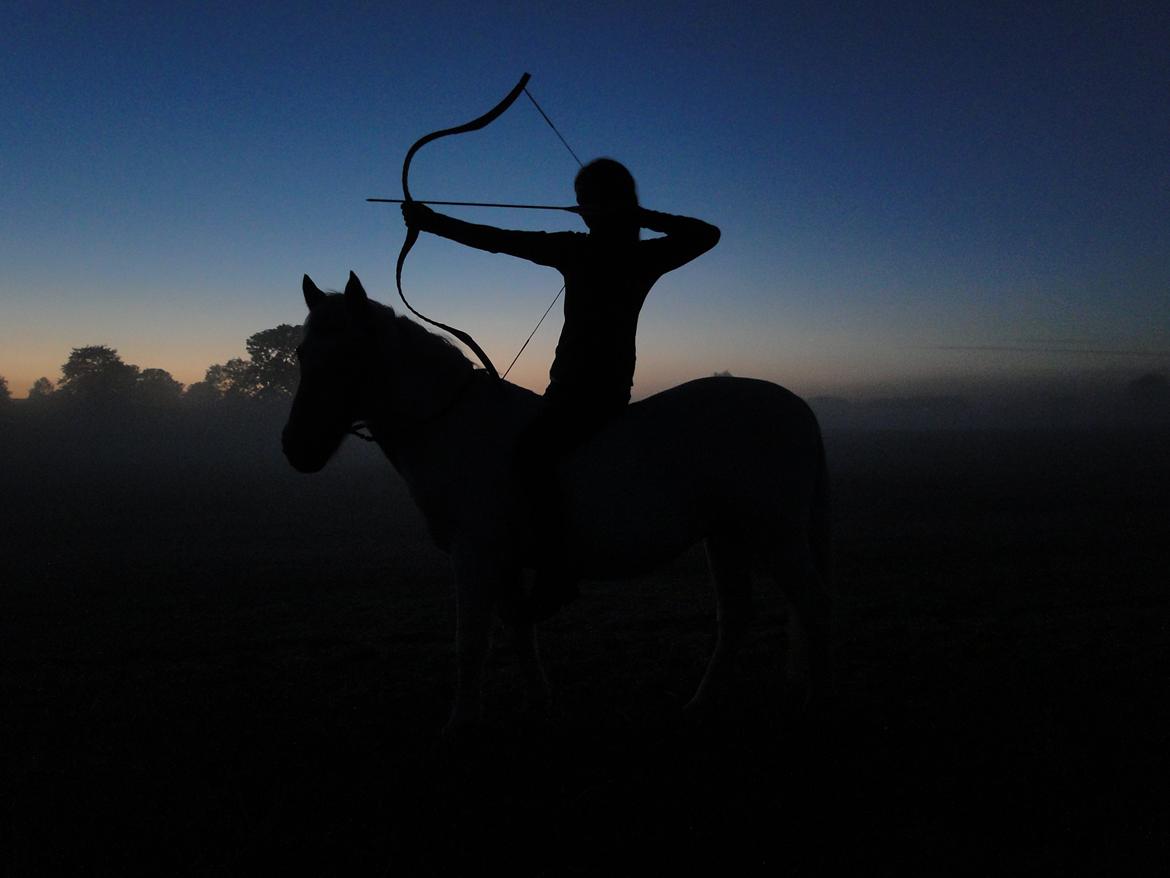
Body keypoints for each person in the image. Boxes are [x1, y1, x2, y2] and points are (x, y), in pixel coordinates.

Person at [402, 158, 720, 618]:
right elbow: (498, 241)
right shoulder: (596, 251)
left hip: (597, 396)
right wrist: (431, 223)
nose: (583, 211)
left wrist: (633, 216)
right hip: (566, 393)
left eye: (588, 202)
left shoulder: (626, 254)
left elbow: (707, 235)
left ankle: (556, 574)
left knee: (531, 455)